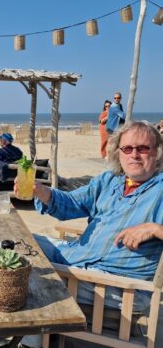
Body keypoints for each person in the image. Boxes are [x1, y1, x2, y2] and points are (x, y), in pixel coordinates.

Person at [16, 121, 163, 347]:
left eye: (143, 148)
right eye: (128, 148)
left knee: (30, 276)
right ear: (118, 152)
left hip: (115, 286)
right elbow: (72, 202)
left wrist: (155, 229)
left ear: (157, 153)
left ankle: (30, 343)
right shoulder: (110, 180)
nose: (134, 154)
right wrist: (42, 192)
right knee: (17, 245)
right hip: (77, 259)